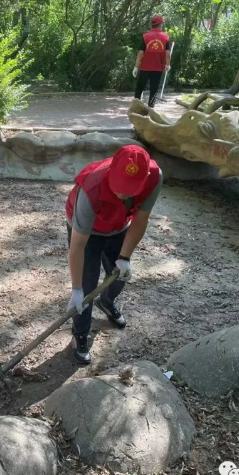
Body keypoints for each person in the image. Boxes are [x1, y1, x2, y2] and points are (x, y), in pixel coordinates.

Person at [65, 145, 162, 364]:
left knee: (118, 276)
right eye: (119, 185)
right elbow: (78, 246)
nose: (123, 192)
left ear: (145, 177)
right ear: (112, 171)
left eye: (130, 188)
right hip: (86, 231)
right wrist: (77, 290)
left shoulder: (155, 177)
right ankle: (80, 333)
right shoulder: (91, 186)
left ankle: (106, 302)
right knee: (87, 286)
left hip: (119, 227)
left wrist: (125, 258)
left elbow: (141, 218)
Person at [133, 15, 171, 108]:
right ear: (160, 25)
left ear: (151, 25)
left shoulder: (145, 36)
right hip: (157, 68)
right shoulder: (165, 37)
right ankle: (151, 108)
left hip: (145, 68)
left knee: (139, 88)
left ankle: (136, 107)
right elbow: (167, 53)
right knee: (154, 89)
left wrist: (136, 66)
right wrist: (167, 64)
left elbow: (140, 53)